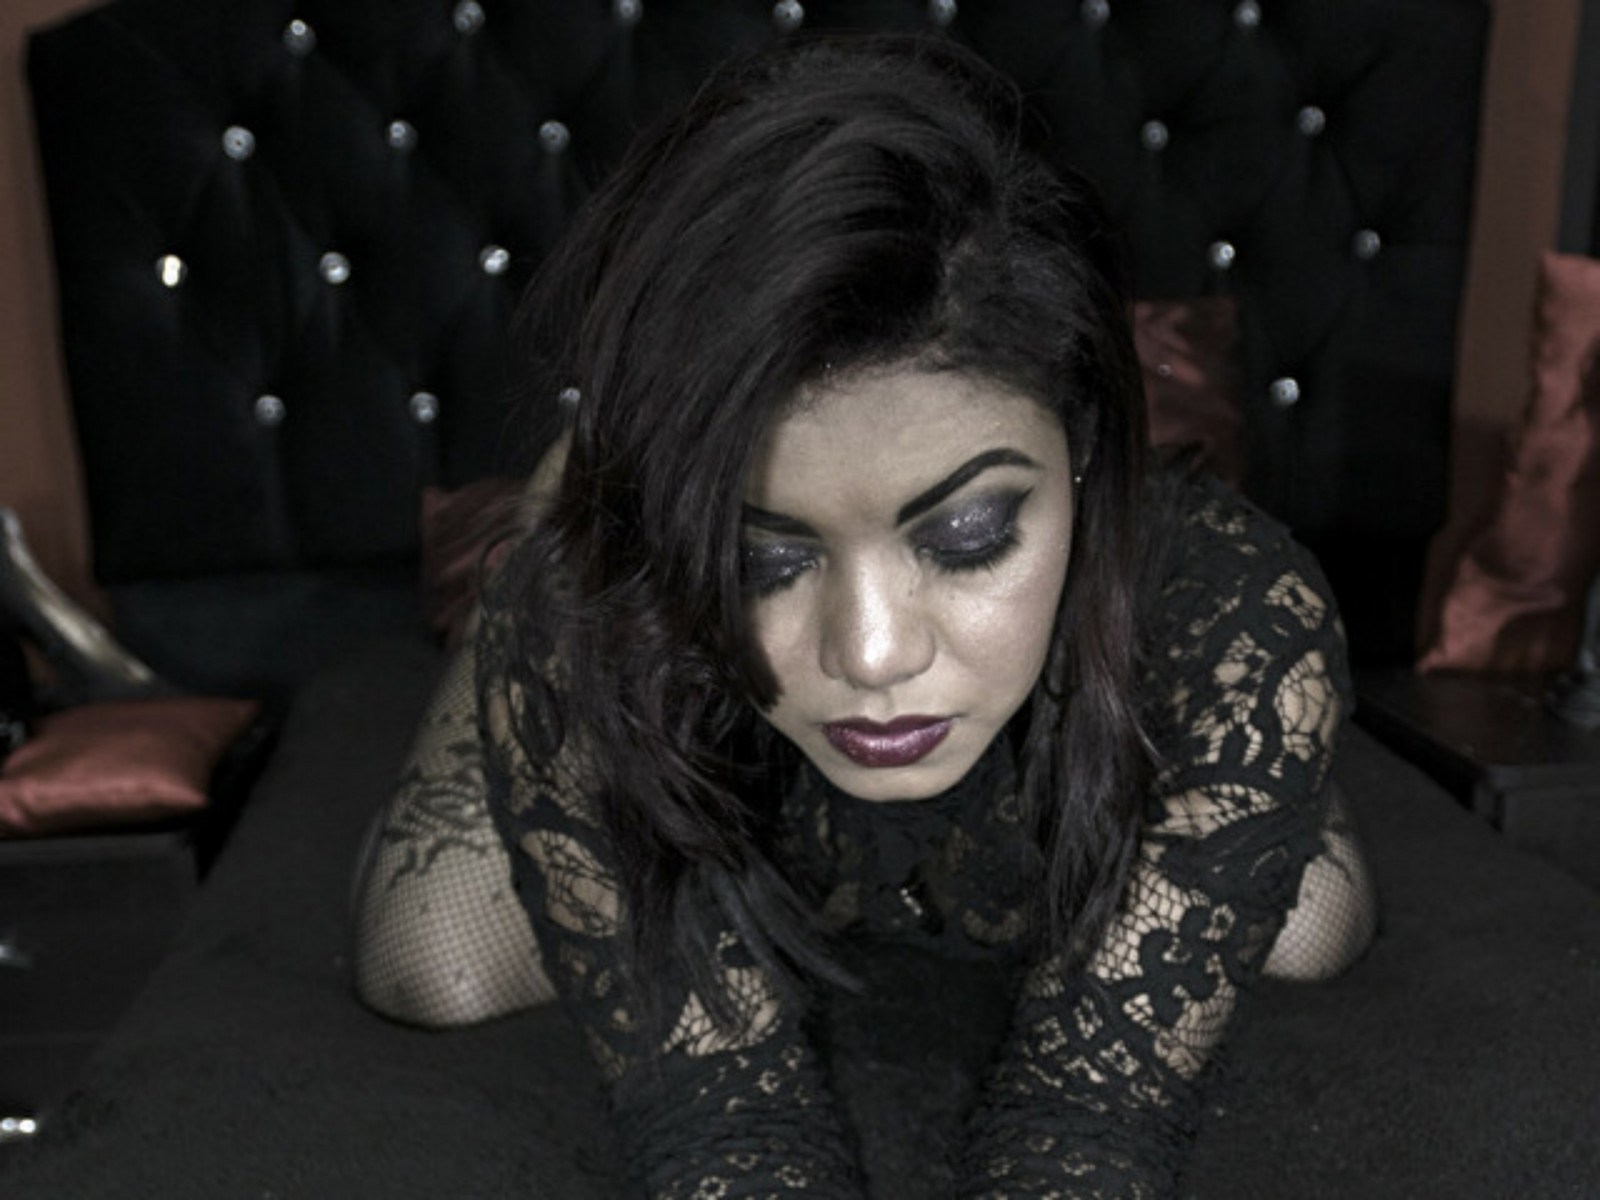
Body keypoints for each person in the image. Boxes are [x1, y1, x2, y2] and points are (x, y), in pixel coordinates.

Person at [352, 34, 1377, 1197]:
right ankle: (572, 489)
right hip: (660, 646)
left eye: (966, 537)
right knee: (434, 963)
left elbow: (1084, 1128)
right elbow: (728, 1127)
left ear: (1083, 448)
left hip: (1134, 641)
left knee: (1309, 923)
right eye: (764, 557)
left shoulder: (1237, 606)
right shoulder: (603, 597)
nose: (873, 655)